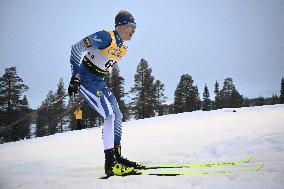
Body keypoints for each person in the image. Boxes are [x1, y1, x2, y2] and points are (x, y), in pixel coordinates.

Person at [68, 10, 143, 177]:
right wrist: (75, 76)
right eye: (132, 26)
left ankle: (117, 156)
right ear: (120, 25)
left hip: (99, 82)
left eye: (136, 27)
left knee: (117, 114)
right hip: (86, 80)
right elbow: (76, 48)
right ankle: (109, 164)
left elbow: (103, 64)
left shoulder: (123, 47)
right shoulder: (105, 37)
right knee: (108, 115)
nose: (134, 30)